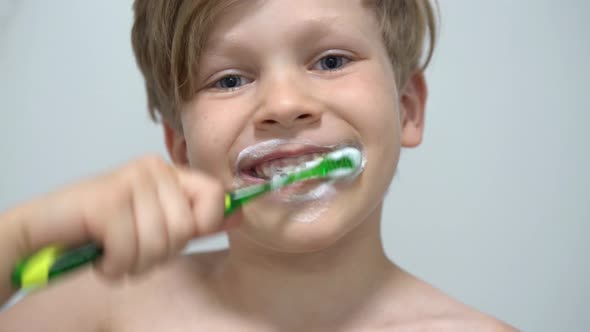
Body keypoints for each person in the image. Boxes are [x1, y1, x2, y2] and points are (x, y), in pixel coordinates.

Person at [0, 0, 518, 330]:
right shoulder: (102, 306)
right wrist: (20, 237)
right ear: (181, 148)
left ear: (407, 108)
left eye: (331, 61)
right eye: (229, 80)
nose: (284, 104)